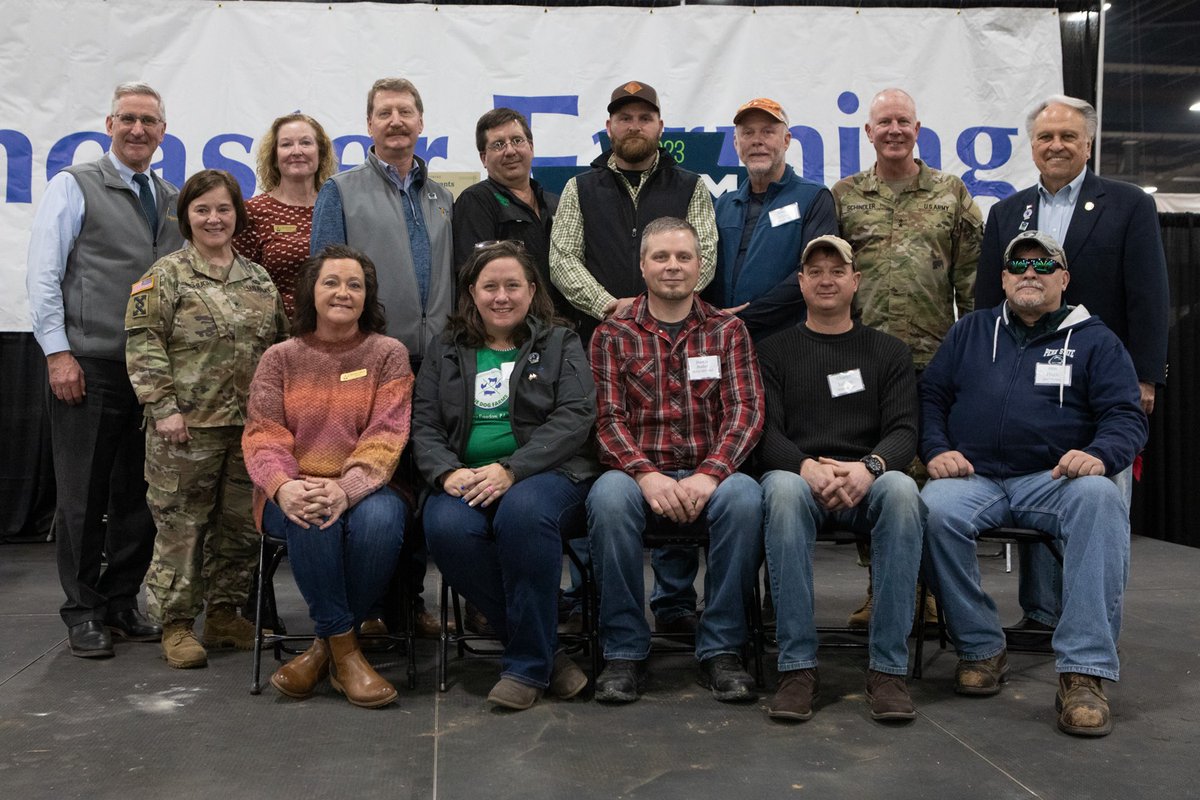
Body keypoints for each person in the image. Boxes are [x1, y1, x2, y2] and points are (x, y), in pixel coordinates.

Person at [920, 230, 1148, 737]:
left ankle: (1083, 672)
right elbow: (931, 397)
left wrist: (1098, 454)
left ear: (1063, 279)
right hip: (975, 477)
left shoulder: (1096, 340)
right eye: (1019, 265)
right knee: (931, 509)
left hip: (1053, 481)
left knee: (1101, 499)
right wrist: (936, 450)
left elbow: (1126, 418)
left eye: (1044, 266)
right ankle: (982, 647)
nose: (1030, 273)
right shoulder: (971, 331)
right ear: (1002, 278)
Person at [974, 94, 1168, 641]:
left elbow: (1149, 295)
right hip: (1030, 380)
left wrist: (1145, 376)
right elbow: (990, 300)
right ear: (1031, 146)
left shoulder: (1128, 204)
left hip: (1106, 380)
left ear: (1088, 144)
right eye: (1045, 137)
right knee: (1045, 478)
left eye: (1067, 136)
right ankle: (1040, 612)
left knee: (1100, 498)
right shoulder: (1007, 212)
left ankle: (1095, 628)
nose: (1055, 145)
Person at [551, 81, 719, 635]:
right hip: (598, 342)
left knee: (677, 440)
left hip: (680, 337)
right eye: (624, 118)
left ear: (660, 128)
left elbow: (706, 257)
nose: (634, 126)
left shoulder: (692, 186)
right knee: (598, 461)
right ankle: (591, 594)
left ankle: (673, 604)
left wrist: (657, 303)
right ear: (609, 128)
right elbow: (562, 259)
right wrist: (611, 308)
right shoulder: (581, 186)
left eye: (645, 117)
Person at [26, 82, 182, 658]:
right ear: (109, 124)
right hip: (88, 364)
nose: (138, 130)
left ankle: (120, 602)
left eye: (149, 121)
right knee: (81, 498)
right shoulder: (75, 184)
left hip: (152, 373)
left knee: (140, 498)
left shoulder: (169, 196)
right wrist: (57, 353)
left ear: (164, 132)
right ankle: (83, 610)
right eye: (128, 119)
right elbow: (44, 273)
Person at [587, 217, 764, 705]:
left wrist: (711, 475)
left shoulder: (729, 331)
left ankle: (722, 648)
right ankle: (624, 650)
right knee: (606, 499)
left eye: (683, 257)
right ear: (642, 266)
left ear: (700, 267)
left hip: (713, 474)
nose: (672, 267)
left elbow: (745, 412)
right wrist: (646, 475)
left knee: (748, 498)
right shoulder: (612, 333)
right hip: (637, 476)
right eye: (661, 257)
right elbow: (605, 420)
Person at [413, 241, 595, 710]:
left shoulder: (561, 341)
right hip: (465, 476)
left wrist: (513, 470)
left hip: (547, 474)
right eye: (489, 286)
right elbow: (424, 422)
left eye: (513, 285)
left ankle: (526, 669)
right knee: (446, 527)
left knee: (522, 514)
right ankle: (547, 655)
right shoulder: (446, 348)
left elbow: (575, 416)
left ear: (532, 291)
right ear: (471, 292)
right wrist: (444, 473)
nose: (501, 296)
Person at [831, 87, 983, 630]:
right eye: (883, 122)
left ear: (918, 130)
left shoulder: (951, 193)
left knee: (926, 476)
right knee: (874, 471)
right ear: (867, 133)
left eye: (904, 121)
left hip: (933, 360)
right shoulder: (844, 195)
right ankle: (882, 589)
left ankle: (932, 590)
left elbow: (973, 281)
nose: (894, 129)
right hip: (863, 363)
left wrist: (975, 355)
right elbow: (831, 280)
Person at [125, 169, 287, 669]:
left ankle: (223, 615)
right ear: (186, 217)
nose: (214, 219)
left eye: (223, 209)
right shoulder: (165, 275)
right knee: (182, 527)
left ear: (237, 214)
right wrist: (164, 408)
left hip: (248, 428)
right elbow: (142, 343)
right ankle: (175, 624)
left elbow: (279, 348)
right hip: (185, 427)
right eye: (202, 210)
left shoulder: (257, 277)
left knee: (239, 525)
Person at [757, 234, 923, 723]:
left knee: (904, 490)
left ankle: (888, 669)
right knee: (782, 492)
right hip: (799, 475)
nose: (826, 279)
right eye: (816, 271)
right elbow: (762, 430)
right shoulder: (772, 351)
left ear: (856, 281)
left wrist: (870, 467)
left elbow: (904, 430)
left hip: (867, 478)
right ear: (801, 282)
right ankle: (797, 668)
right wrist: (803, 466)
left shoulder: (889, 351)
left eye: (837, 271)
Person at [310, 77, 455, 636]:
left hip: (435, 364)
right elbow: (323, 277)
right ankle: (363, 607)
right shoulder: (340, 191)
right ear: (368, 124)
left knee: (419, 486)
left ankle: (407, 603)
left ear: (421, 123)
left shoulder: (443, 197)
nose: (396, 121)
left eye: (406, 112)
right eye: (384, 113)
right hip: (365, 362)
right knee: (373, 482)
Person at [243, 245, 413, 708]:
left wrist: (346, 487)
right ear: (310, 292)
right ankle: (347, 654)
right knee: (312, 515)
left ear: (368, 296)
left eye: (355, 284)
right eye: (331, 282)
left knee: (378, 523)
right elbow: (263, 435)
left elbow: (387, 433)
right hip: (292, 488)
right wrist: (283, 486)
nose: (343, 292)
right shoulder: (279, 358)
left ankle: (324, 650)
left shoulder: (387, 355)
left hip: (370, 486)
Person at [702, 97, 837, 340]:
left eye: (768, 132)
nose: (757, 141)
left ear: (786, 141)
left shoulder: (814, 197)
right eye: (748, 133)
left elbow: (814, 273)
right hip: (726, 343)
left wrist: (744, 319)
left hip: (789, 342)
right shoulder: (723, 204)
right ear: (736, 143)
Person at [453, 108, 566, 311]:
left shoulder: (555, 203)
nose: (510, 151)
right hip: (508, 329)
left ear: (531, 147)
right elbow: (473, 275)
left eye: (517, 140)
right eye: (498, 145)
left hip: (559, 329)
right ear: (483, 158)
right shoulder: (476, 201)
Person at [234, 112, 337, 317]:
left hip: (333, 333)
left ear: (321, 153)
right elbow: (236, 282)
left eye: (306, 143)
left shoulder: (337, 208)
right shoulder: (253, 212)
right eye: (286, 144)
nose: (296, 151)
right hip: (274, 336)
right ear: (274, 156)